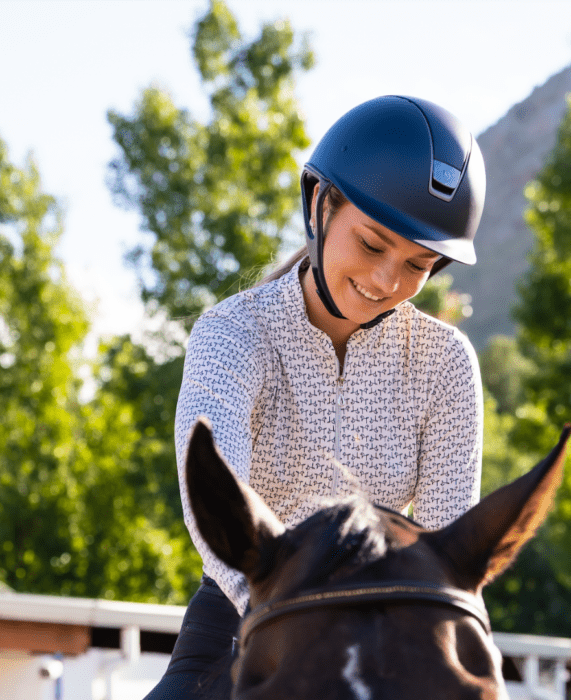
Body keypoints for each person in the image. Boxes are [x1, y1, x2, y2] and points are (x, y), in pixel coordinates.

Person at [144, 94, 486, 699]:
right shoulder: (232, 334)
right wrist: (298, 615)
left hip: (388, 629)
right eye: (373, 245)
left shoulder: (447, 365)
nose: (386, 282)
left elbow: (445, 548)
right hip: (245, 615)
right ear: (321, 204)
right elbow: (217, 500)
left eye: (418, 265)